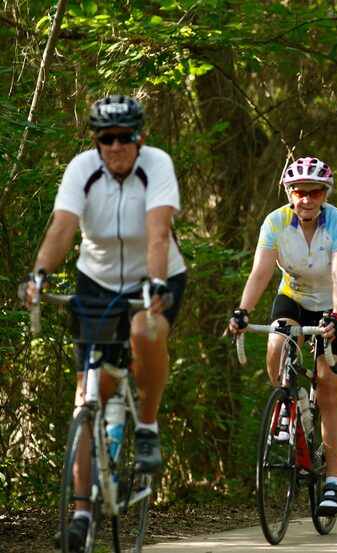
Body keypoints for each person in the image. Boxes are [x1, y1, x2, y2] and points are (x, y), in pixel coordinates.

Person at [19, 95, 187, 550]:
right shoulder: (81, 169)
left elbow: (157, 231)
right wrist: (39, 274)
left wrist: (153, 285)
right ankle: (81, 515)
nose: (116, 147)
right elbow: (62, 227)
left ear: (140, 138)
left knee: (141, 333)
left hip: (156, 276)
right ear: (96, 142)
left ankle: (147, 430)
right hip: (96, 281)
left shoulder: (157, 165)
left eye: (125, 137)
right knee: (86, 396)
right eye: (106, 139)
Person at [228, 156, 337, 516]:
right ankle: (290, 397)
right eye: (300, 191)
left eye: (315, 191)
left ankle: (333, 481)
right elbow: (260, 273)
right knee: (276, 345)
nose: (307, 198)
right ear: (290, 193)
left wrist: (336, 316)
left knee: (331, 388)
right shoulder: (274, 222)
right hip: (295, 297)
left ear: (325, 194)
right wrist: (243, 311)